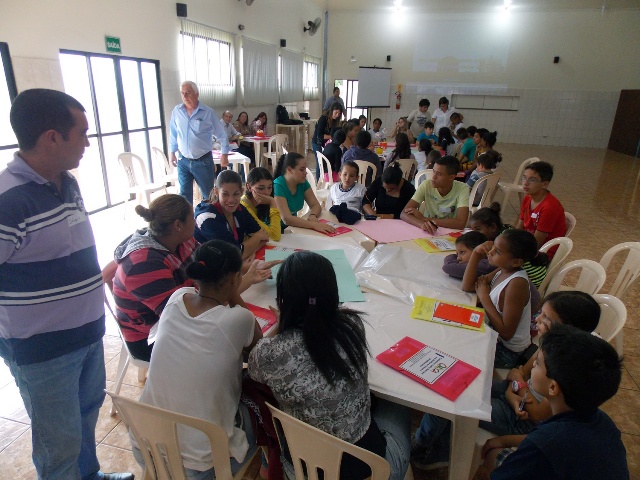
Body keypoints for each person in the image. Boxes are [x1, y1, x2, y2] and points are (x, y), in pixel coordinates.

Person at [0, 88, 133, 479]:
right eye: (83, 133)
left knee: (85, 417)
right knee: (58, 443)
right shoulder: (8, 200)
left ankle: (89, 476)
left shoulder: (66, 182)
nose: (88, 143)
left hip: (87, 333)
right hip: (43, 349)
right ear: (52, 138)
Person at [248, 252, 411, 480]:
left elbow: (254, 371)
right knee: (400, 403)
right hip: (372, 471)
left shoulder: (268, 353)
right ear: (333, 293)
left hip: (303, 470)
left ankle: (267, 467)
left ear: (282, 299)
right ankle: (425, 451)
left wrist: (281, 323)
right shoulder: (352, 325)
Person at [131, 240, 262, 479]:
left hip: (144, 446)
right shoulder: (239, 319)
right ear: (235, 278)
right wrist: (234, 292)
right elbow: (259, 349)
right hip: (197, 467)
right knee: (261, 409)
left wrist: (230, 285)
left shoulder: (176, 298)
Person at [482, 324, 628, 480]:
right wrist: (503, 440)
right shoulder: (602, 421)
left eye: (537, 363)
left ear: (553, 387)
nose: (533, 365)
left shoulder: (546, 442)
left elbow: (540, 446)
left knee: (492, 459)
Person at [481, 291, 601, 438]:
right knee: (470, 386)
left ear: (568, 329)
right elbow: (520, 372)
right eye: (541, 314)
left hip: (522, 420)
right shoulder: (548, 344)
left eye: (546, 319)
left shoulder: (565, 369)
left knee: (468, 404)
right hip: (518, 396)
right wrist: (512, 390)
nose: (537, 319)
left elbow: (537, 415)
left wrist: (517, 386)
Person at [113, 194, 198, 361]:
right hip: (149, 338)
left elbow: (208, 264)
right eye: (192, 218)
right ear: (178, 225)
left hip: (179, 315)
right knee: (221, 345)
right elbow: (179, 315)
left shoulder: (181, 240)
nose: (195, 222)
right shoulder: (142, 264)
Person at [461, 229, 539, 368]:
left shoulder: (516, 284)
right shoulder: (503, 269)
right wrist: (476, 253)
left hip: (508, 352)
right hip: (495, 337)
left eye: (497, 251)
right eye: (492, 247)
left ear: (516, 262)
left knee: (459, 349)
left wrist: (484, 297)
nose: (490, 252)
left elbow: (506, 333)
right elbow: (467, 286)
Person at [170, 81, 229, 204]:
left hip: (202, 161)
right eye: (182, 93)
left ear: (197, 94)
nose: (185, 96)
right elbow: (174, 133)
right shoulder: (177, 111)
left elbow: (222, 134)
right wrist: (172, 152)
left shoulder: (208, 112)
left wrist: (224, 154)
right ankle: (187, 216)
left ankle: (209, 215)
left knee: (208, 195)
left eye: (188, 93)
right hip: (183, 160)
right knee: (184, 196)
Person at [469, 203, 549, 288]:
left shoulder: (504, 242)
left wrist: (475, 254)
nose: (474, 234)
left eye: (478, 229)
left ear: (493, 227)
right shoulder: (505, 233)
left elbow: (472, 285)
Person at [194, 170, 269, 259]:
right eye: (225, 194)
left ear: (241, 192)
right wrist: (256, 238)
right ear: (216, 192)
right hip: (209, 265)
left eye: (236, 194)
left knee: (276, 261)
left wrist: (248, 252)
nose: (231, 200)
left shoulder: (239, 209)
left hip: (238, 263)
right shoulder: (208, 218)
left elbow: (264, 237)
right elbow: (232, 256)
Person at [401, 155, 470, 233]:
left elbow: (461, 223)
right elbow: (403, 214)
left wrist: (425, 219)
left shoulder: (462, 188)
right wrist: (421, 224)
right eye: (433, 171)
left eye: (439, 174)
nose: (433, 177)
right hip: (428, 230)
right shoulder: (426, 185)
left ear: (451, 177)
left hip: (450, 232)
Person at [273, 152, 335, 233]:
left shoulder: (302, 182)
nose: (305, 172)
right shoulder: (278, 185)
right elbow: (286, 219)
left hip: (291, 228)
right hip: (275, 230)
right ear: (290, 170)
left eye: (305, 169)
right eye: (302, 170)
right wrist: (314, 225)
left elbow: (316, 205)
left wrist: (313, 215)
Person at [516, 161, 566, 258]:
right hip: (527, 244)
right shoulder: (527, 198)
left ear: (544, 184)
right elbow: (519, 228)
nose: (525, 183)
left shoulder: (549, 207)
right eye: (524, 178)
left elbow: (536, 243)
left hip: (542, 254)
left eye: (532, 180)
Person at [241, 167, 282, 241]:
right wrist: (273, 203)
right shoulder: (244, 207)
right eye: (261, 188)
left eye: (269, 187)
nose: (266, 192)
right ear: (249, 187)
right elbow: (275, 236)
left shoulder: (260, 204)